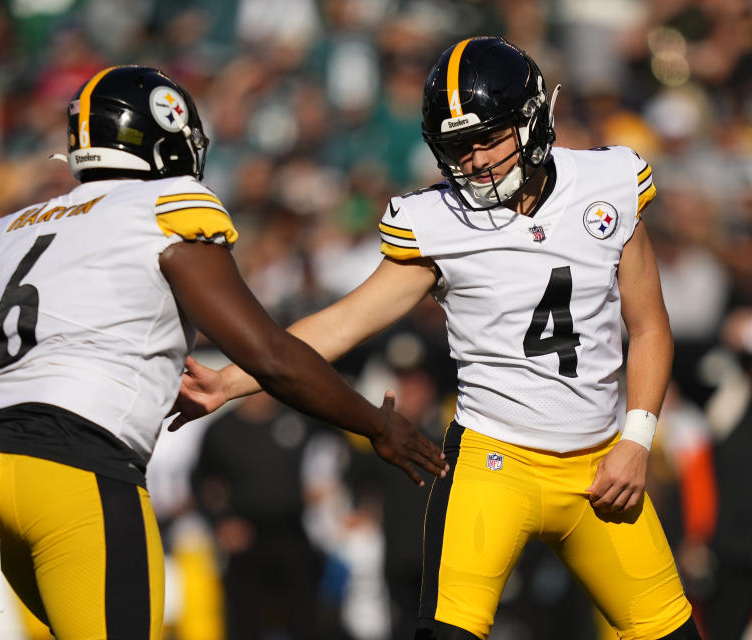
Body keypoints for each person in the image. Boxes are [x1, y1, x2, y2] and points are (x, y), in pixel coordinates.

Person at [175, 38, 701, 639]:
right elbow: (341, 323)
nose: (474, 161)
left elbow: (651, 326)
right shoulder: (436, 222)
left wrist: (637, 439)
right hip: (496, 462)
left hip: (602, 464)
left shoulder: (608, 181)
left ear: (531, 119)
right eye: (458, 147)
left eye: (487, 139)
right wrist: (230, 380)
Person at [0, 65, 447, 640]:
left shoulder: (4, 232)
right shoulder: (164, 206)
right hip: (77, 467)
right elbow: (271, 356)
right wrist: (377, 425)